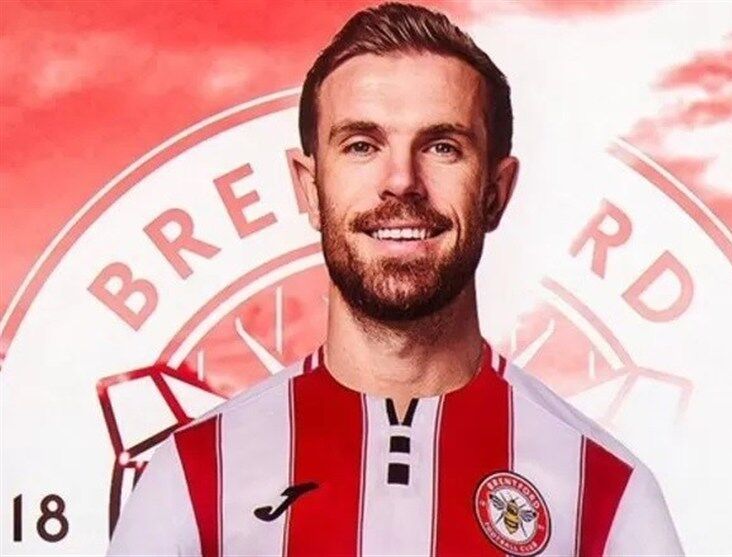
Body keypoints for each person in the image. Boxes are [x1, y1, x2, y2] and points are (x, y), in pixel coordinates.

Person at [108, 3, 683, 556]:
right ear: (309, 187)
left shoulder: (608, 493)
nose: (402, 180)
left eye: (442, 147)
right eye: (362, 145)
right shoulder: (193, 477)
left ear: (495, 193)